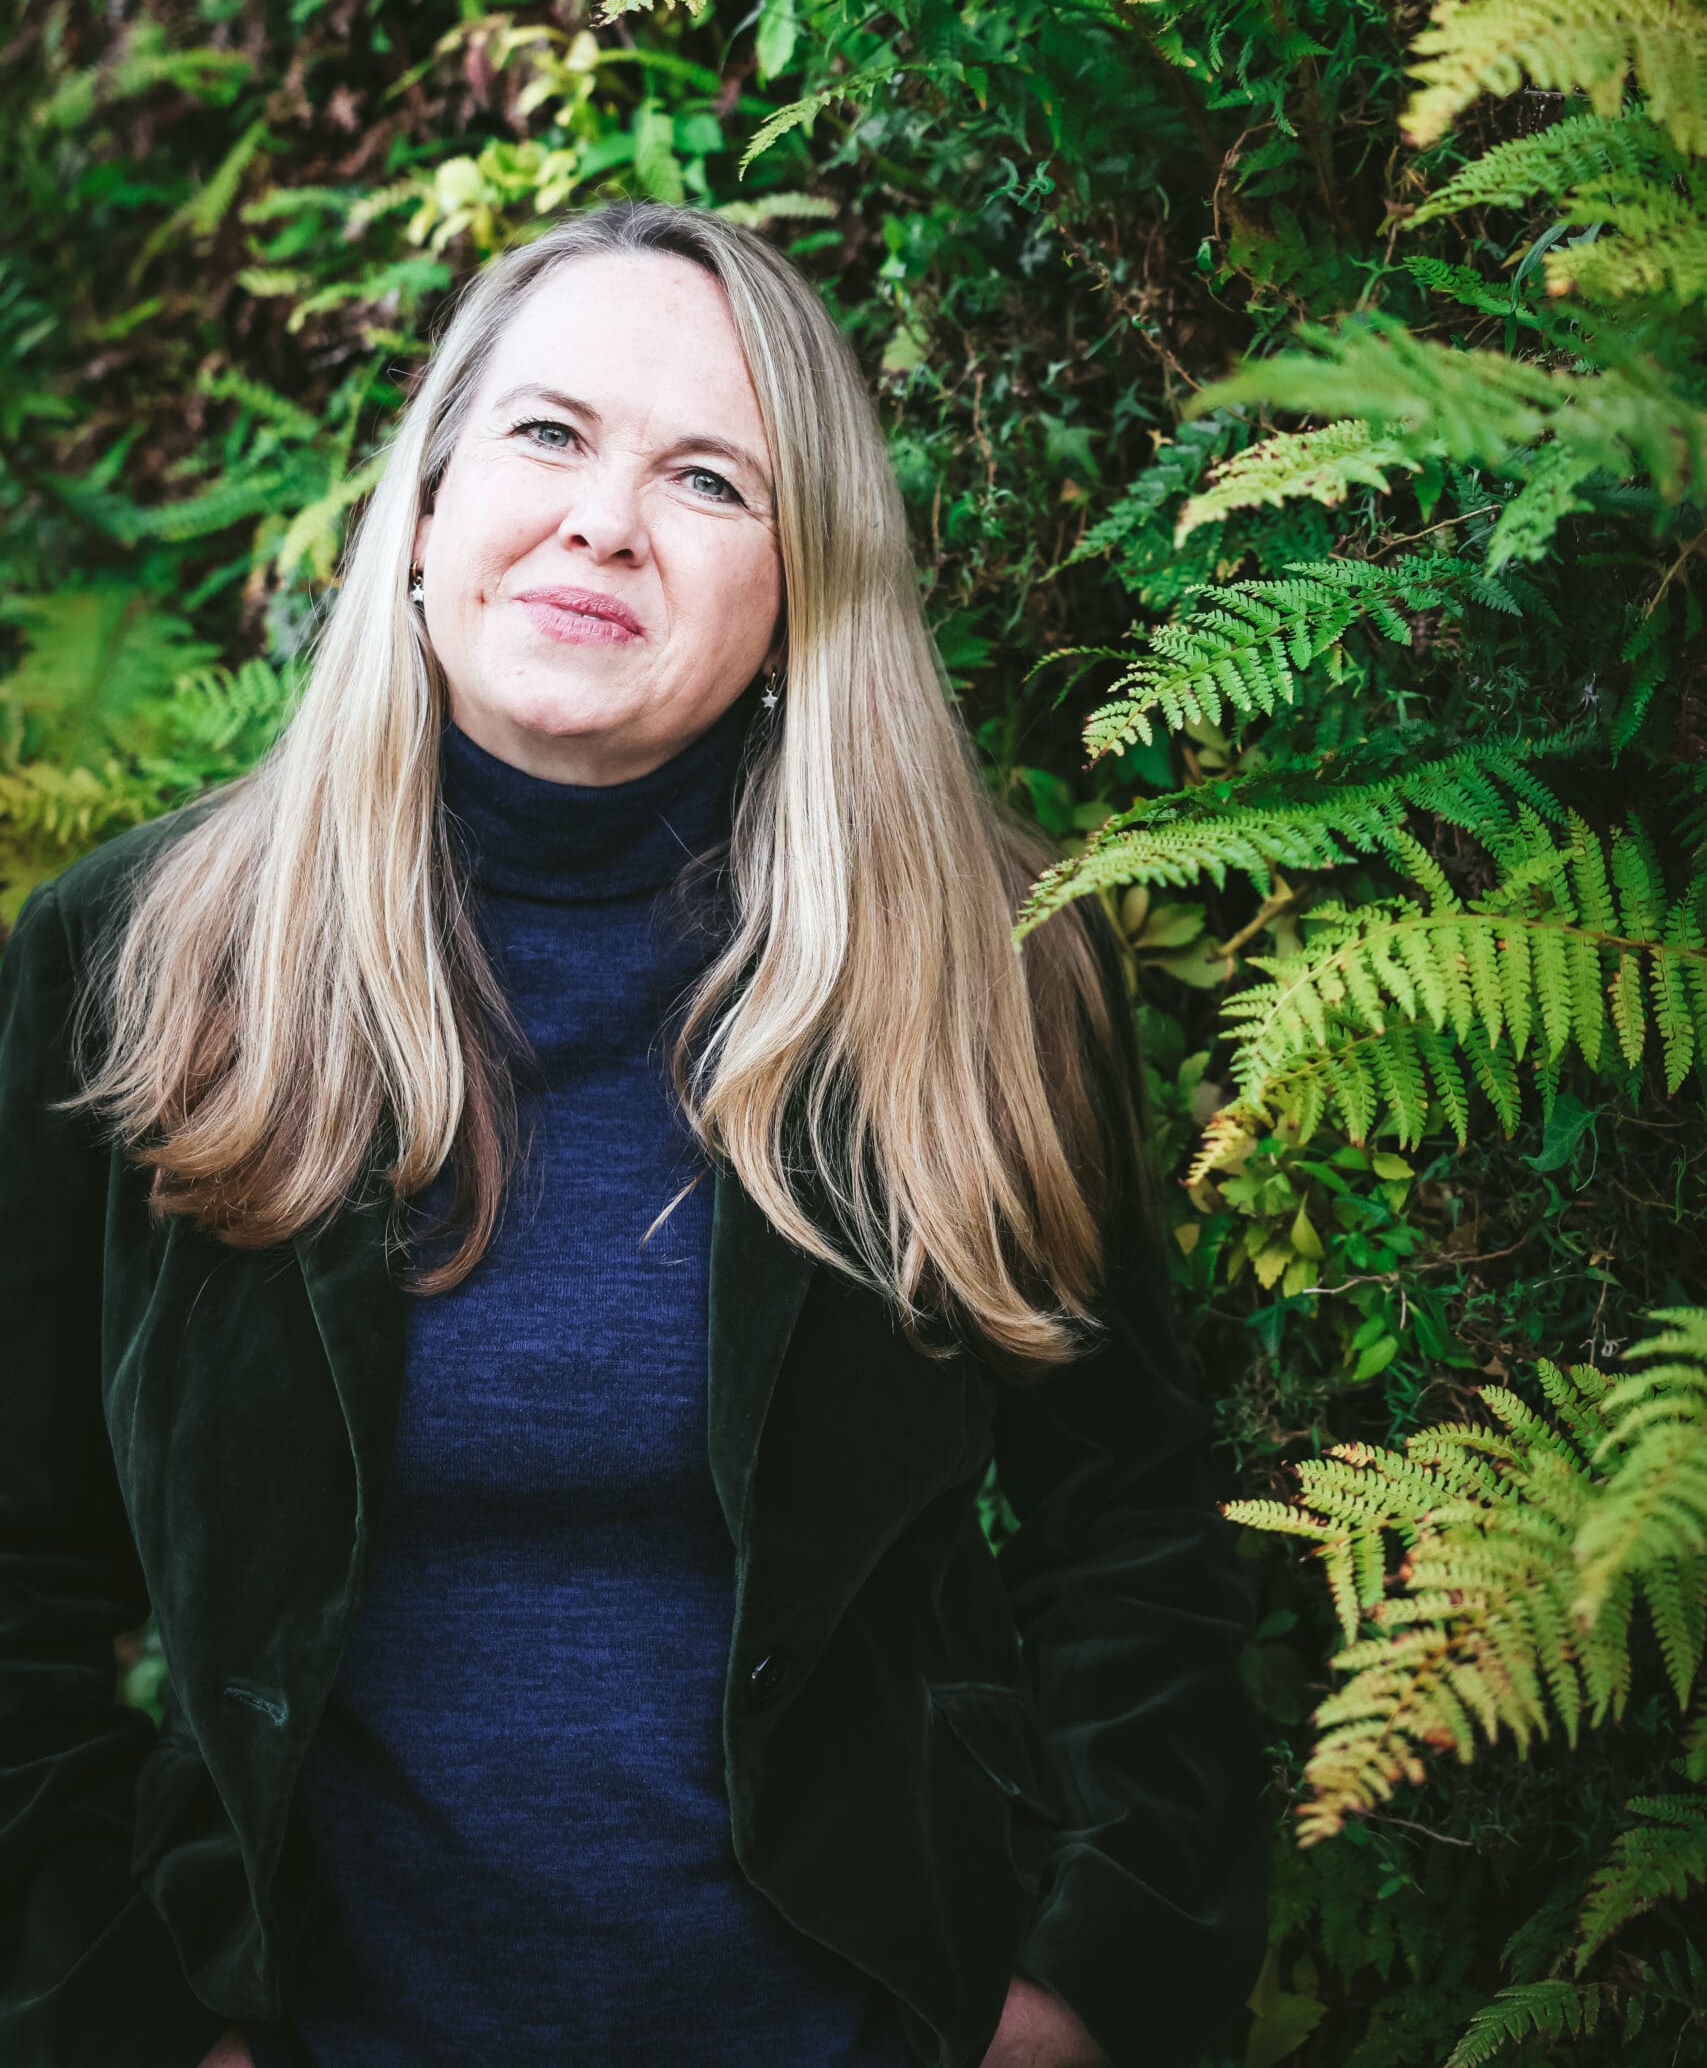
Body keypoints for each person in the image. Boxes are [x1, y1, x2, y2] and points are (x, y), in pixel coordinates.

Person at [0, 202, 1269, 2068]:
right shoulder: (138, 961)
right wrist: (125, 2019)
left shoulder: (975, 978)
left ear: (796, 599)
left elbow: (1135, 1536)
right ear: (423, 512)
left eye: (708, 478)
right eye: (546, 434)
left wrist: (1082, 1993)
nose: (604, 518)